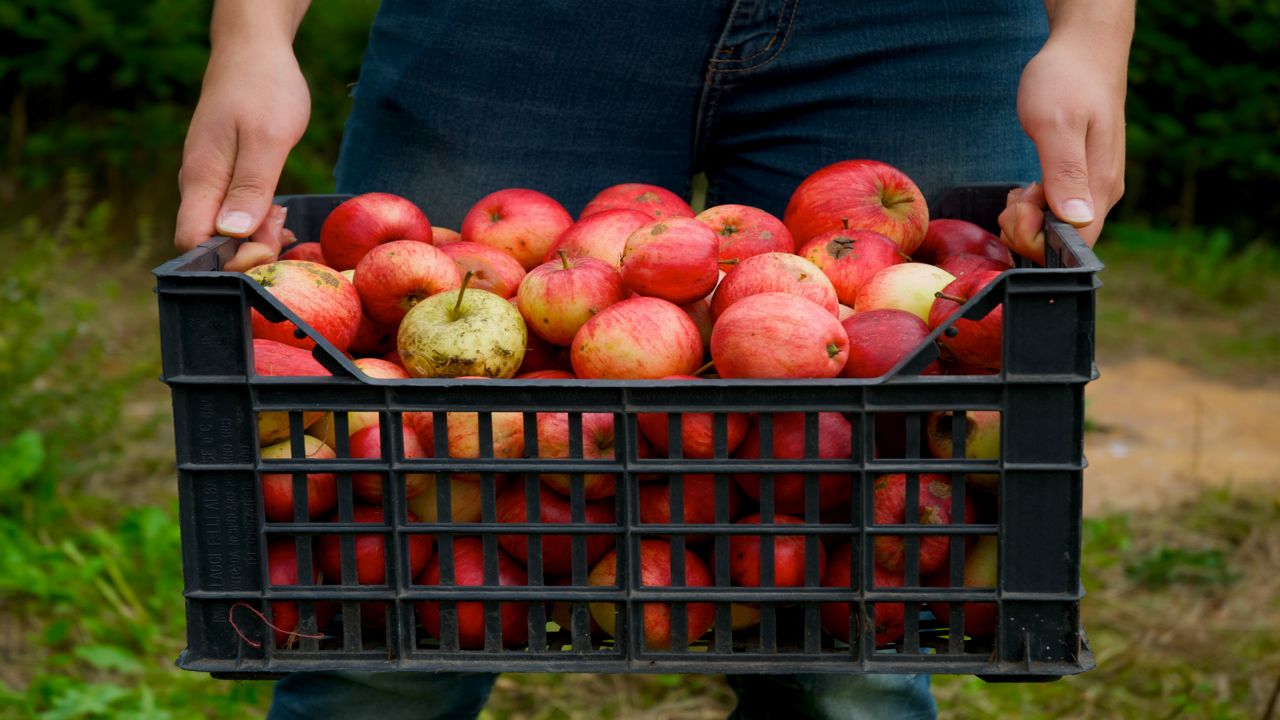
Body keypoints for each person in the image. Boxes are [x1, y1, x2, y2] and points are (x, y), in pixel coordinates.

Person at [175, 1, 1133, 718]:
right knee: (389, 589)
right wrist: (253, 34)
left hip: (913, 22)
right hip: (515, 24)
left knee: (859, 613)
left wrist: (1093, 36)